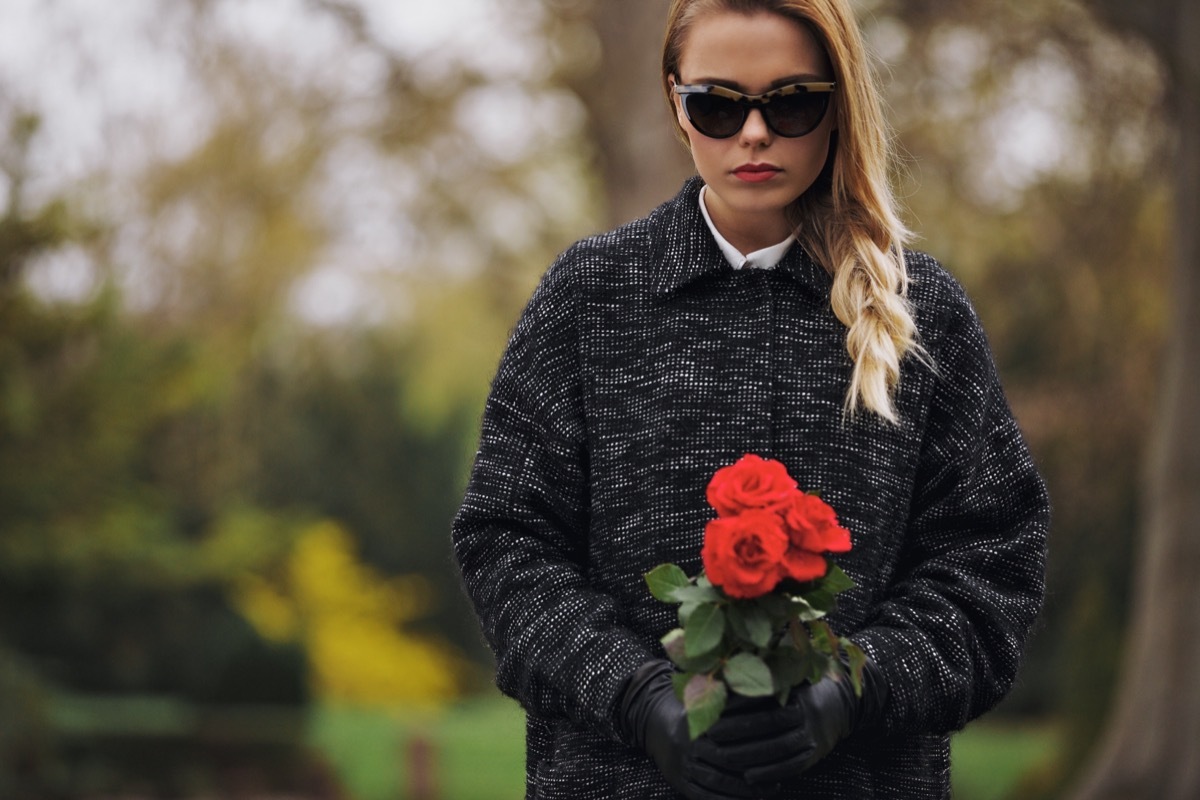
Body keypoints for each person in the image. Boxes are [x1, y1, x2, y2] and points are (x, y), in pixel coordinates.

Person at [452, 0, 1050, 797]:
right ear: (676, 103)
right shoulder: (588, 298)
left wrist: (854, 689)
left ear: (838, 104)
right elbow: (507, 542)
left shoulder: (923, 313)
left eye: (792, 101)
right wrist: (637, 696)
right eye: (718, 104)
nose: (755, 133)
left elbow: (992, 560)